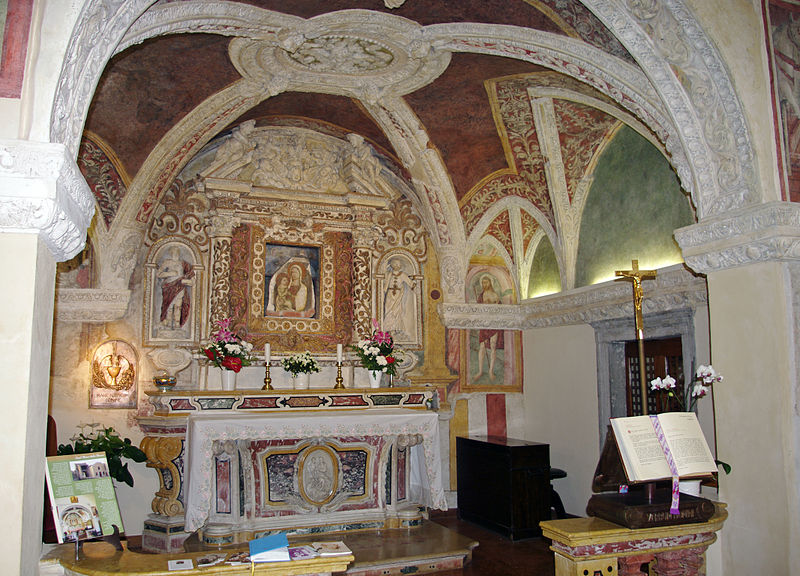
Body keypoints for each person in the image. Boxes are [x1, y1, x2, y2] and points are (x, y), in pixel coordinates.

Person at [474, 274, 503, 381]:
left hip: (493, 324)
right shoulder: (481, 296)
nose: (484, 284)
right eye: (483, 282)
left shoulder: (495, 295)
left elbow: (499, 309)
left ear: (490, 283)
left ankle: (491, 371)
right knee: (482, 347)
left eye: (486, 282)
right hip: (484, 323)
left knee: (493, 346)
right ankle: (480, 371)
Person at [157, 247, 194, 330]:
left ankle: (177, 323)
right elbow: (158, 274)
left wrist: (186, 281)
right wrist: (170, 273)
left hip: (180, 286)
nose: (175, 254)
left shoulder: (184, 264)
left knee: (178, 306)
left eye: (177, 252)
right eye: (173, 253)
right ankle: (168, 323)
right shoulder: (167, 262)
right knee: (169, 306)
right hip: (169, 286)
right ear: (171, 254)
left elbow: (192, 279)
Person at [383, 258, 416, 340]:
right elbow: (385, 287)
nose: (397, 266)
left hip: (398, 295)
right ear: (392, 265)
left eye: (398, 264)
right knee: (388, 310)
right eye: (395, 264)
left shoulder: (402, 274)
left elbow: (410, 283)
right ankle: (388, 330)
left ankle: (394, 330)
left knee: (396, 311)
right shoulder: (389, 274)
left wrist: (416, 282)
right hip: (390, 295)